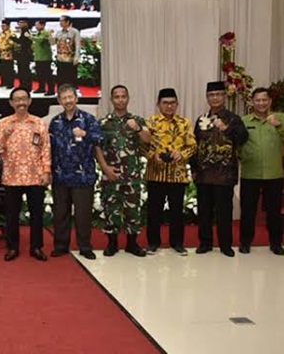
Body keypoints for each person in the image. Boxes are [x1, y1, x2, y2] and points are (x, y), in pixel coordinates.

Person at [0, 87, 51, 261]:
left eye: (24, 98)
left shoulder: (39, 122)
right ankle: (12, 248)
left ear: (30, 101)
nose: (21, 102)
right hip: (12, 176)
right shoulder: (3, 123)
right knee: (12, 214)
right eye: (17, 99)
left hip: (35, 175)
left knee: (37, 214)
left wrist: (47, 171)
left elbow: (45, 148)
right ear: (11, 103)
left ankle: (36, 247)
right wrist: (5, 134)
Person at [192, 82, 248, 257]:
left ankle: (225, 245)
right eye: (211, 95)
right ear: (207, 98)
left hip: (225, 175)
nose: (215, 98)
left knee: (224, 212)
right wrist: (193, 168)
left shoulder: (233, 118)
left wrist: (226, 128)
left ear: (224, 96)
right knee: (204, 212)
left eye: (218, 94)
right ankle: (205, 243)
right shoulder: (201, 119)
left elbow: (243, 138)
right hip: (204, 174)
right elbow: (194, 145)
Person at [95, 85, 152, 257]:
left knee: (132, 210)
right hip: (111, 174)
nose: (120, 99)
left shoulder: (137, 120)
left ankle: (132, 244)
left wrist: (137, 128)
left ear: (128, 98)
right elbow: (97, 147)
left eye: (123, 96)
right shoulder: (104, 123)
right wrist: (105, 167)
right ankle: (112, 244)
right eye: (117, 97)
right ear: (112, 100)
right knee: (111, 208)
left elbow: (148, 139)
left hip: (132, 175)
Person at [49, 84, 103, 260]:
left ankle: (85, 246)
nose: (68, 101)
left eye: (70, 97)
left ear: (76, 98)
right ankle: (61, 245)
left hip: (83, 175)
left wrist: (85, 133)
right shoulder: (55, 122)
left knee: (83, 214)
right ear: (59, 101)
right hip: (61, 175)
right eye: (64, 98)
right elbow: (49, 148)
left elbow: (100, 140)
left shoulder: (88, 119)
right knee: (60, 213)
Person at [145, 88, 196, 255]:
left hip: (177, 174)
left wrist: (181, 154)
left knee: (177, 212)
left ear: (177, 104)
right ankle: (153, 243)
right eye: (165, 103)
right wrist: (153, 156)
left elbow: (193, 146)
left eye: (172, 103)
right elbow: (142, 146)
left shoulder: (184, 123)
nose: (169, 106)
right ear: (158, 104)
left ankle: (177, 243)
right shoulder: (151, 122)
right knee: (154, 211)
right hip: (156, 173)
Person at [239, 87, 284, 255]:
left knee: (274, 211)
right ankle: (245, 242)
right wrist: (242, 156)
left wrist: (279, 127)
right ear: (252, 102)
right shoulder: (244, 121)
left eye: (264, 100)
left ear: (270, 101)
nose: (261, 103)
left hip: (274, 173)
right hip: (250, 173)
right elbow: (237, 143)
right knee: (248, 210)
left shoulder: (280, 118)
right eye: (257, 100)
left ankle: (276, 243)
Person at [52, 16, 81, 93]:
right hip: (60, 59)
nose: (60, 23)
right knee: (61, 78)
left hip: (70, 59)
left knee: (70, 78)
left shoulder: (74, 32)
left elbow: (78, 45)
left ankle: (71, 93)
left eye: (62, 21)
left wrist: (77, 57)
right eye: (60, 21)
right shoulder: (59, 32)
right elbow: (52, 43)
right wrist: (50, 36)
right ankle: (61, 93)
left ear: (67, 22)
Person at [31, 20, 54, 95]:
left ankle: (51, 90)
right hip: (38, 57)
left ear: (42, 25)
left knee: (47, 74)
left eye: (37, 25)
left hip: (45, 57)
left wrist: (30, 37)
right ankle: (41, 88)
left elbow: (40, 40)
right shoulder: (38, 33)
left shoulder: (45, 33)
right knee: (39, 74)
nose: (36, 27)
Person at [13, 20, 33, 90]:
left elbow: (25, 42)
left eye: (22, 23)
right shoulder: (22, 31)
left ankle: (27, 85)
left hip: (25, 54)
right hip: (21, 54)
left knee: (25, 70)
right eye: (19, 23)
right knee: (21, 70)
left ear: (26, 24)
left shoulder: (26, 32)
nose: (20, 24)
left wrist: (14, 39)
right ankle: (22, 84)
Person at [0, 19, 16, 89]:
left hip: (8, 54)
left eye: (4, 26)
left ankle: (10, 83)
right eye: (2, 26)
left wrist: (2, 48)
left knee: (9, 69)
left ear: (8, 26)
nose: (2, 27)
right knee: (2, 68)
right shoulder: (1, 33)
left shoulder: (11, 33)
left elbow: (12, 44)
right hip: (1, 54)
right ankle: (3, 82)